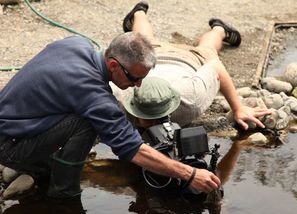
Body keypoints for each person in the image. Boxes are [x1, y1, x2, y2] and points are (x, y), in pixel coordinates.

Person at [0, 32, 221, 200]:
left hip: (11, 123)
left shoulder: (76, 43)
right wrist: (189, 173)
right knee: (86, 123)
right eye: (134, 78)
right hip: (9, 145)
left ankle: (44, 169)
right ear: (114, 65)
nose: (138, 85)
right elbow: (132, 150)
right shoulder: (94, 95)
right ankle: (64, 193)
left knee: (82, 119)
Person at [114, 1, 271, 128]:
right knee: (143, 39)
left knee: (206, 50)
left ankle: (220, 29)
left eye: (158, 117)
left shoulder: (190, 99)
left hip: (186, 59)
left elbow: (215, 67)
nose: (155, 124)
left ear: (171, 105)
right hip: (152, 57)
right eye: (147, 118)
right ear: (133, 104)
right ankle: (139, 12)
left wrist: (238, 108)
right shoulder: (121, 98)